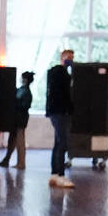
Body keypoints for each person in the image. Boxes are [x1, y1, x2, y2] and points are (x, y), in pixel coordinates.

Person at [45, 49, 75, 188]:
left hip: (56, 112)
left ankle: (55, 174)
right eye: (68, 57)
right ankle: (61, 175)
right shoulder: (60, 73)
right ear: (62, 58)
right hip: (60, 112)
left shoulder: (55, 74)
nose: (70, 60)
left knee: (58, 142)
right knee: (62, 142)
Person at [0, 71, 33, 169]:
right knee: (13, 140)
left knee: (19, 141)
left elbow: (24, 106)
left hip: (20, 119)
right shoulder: (24, 91)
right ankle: (7, 160)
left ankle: (21, 163)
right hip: (18, 119)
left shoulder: (24, 92)